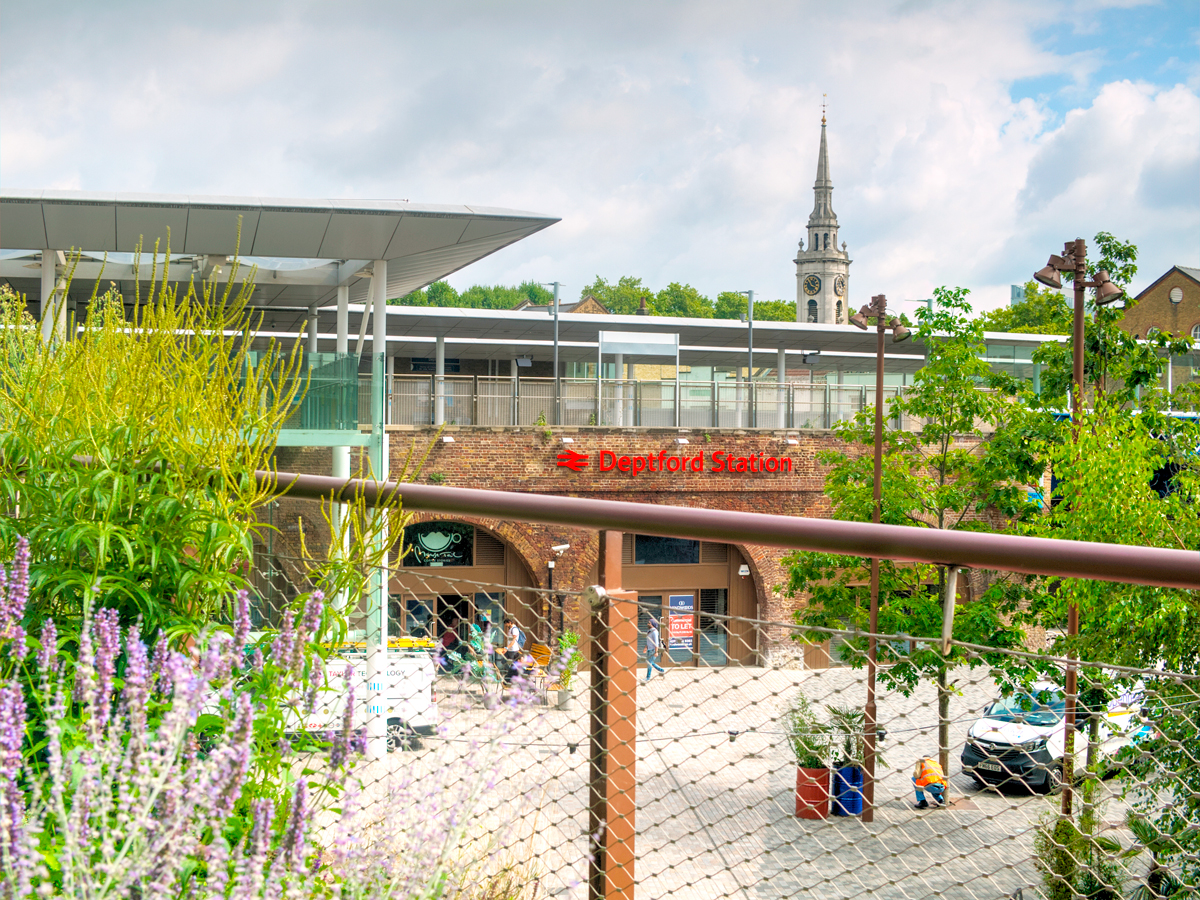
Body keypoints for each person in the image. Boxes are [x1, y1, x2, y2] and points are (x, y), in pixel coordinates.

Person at [645, 617, 666, 681]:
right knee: (651, 662)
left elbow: (656, 643)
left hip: (652, 650)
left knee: (649, 663)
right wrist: (645, 647)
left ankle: (648, 677)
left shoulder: (654, 632)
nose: (648, 624)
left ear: (652, 624)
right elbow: (648, 641)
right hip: (649, 649)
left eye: (649, 623)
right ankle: (662, 670)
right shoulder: (649, 631)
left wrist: (656, 652)